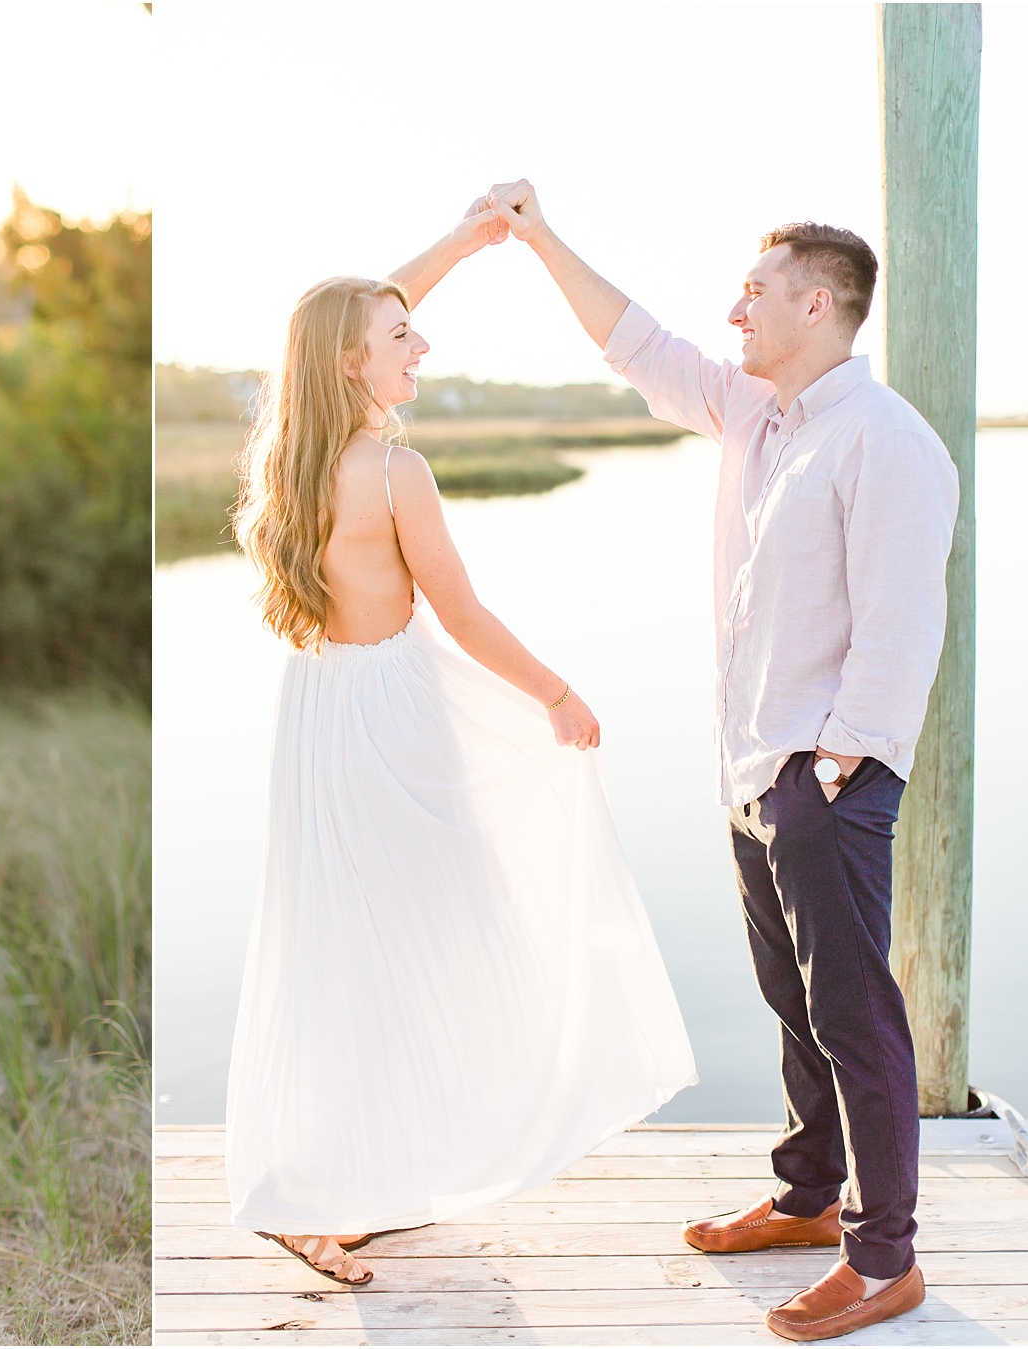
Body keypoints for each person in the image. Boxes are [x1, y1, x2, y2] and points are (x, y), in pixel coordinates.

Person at [488, 179, 956, 1342]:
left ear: (816, 303)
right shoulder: (756, 414)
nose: (735, 311)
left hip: (821, 775)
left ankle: (884, 1256)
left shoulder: (888, 441)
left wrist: (836, 761)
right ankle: (808, 1193)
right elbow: (634, 339)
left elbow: (902, 627)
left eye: (754, 293)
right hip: (754, 769)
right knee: (792, 1001)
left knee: (855, 1012)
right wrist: (541, 236)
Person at [222, 200, 697, 1287]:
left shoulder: (292, 457)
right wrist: (560, 693)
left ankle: (347, 1177)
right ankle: (328, 1191)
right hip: (392, 717)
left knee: (339, 944)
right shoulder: (395, 472)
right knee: (442, 933)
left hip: (319, 713)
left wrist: (463, 239)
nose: (421, 345)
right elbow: (465, 617)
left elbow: (335, 324)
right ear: (356, 365)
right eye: (402, 341)